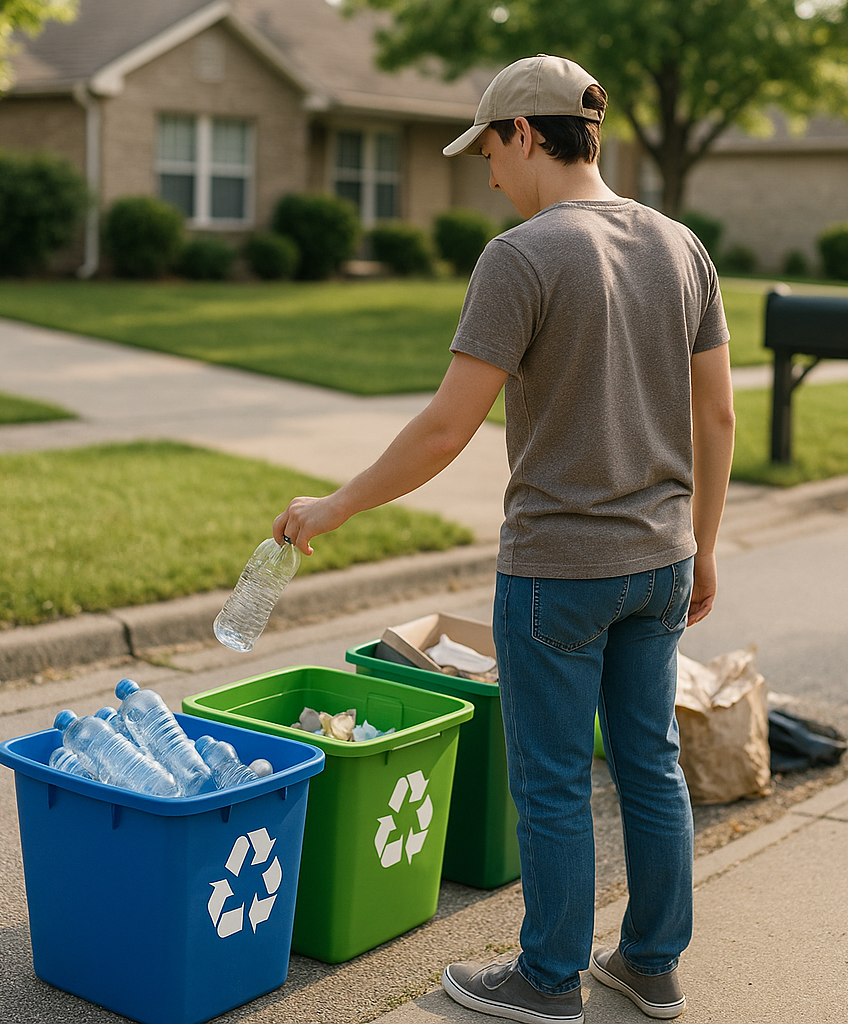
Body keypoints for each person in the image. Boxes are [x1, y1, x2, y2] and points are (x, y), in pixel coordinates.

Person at [274, 53, 735, 1024]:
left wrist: (334, 506)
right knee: (648, 763)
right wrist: (704, 545)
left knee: (555, 778)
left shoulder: (520, 257)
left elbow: (448, 428)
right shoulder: (680, 246)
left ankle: (548, 975)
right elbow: (719, 417)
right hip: (659, 560)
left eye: (488, 146)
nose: (486, 172)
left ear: (525, 133)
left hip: (557, 573)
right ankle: (650, 963)